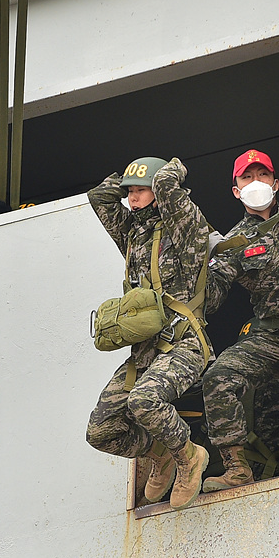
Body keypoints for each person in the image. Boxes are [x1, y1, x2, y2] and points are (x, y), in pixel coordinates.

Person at [86, 157, 213, 509]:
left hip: (185, 345)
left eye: (141, 191)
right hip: (144, 352)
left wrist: (168, 172)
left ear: (158, 191)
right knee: (100, 430)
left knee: (143, 400)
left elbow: (172, 195)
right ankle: (162, 454)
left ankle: (189, 457)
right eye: (130, 192)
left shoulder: (184, 229)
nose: (133, 197)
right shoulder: (133, 232)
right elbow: (99, 197)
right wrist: (130, 176)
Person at [201, 149, 279, 492]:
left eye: (262, 175)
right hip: (272, 340)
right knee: (219, 376)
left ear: (275, 183)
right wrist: (201, 259)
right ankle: (237, 469)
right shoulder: (234, 243)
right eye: (247, 178)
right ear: (236, 190)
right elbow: (213, 297)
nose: (255, 182)